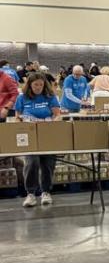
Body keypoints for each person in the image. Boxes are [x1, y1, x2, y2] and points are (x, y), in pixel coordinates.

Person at [15, 73, 63, 207]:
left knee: (48, 164)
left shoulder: (50, 97)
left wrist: (52, 123)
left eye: (41, 85)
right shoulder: (22, 98)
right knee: (32, 162)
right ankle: (30, 194)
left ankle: (46, 192)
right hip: (30, 136)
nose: (38, 87)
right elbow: (18, 116)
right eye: (35, 84)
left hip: (47, 135)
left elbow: (58, 115)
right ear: (30, 85)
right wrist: (21, 121)